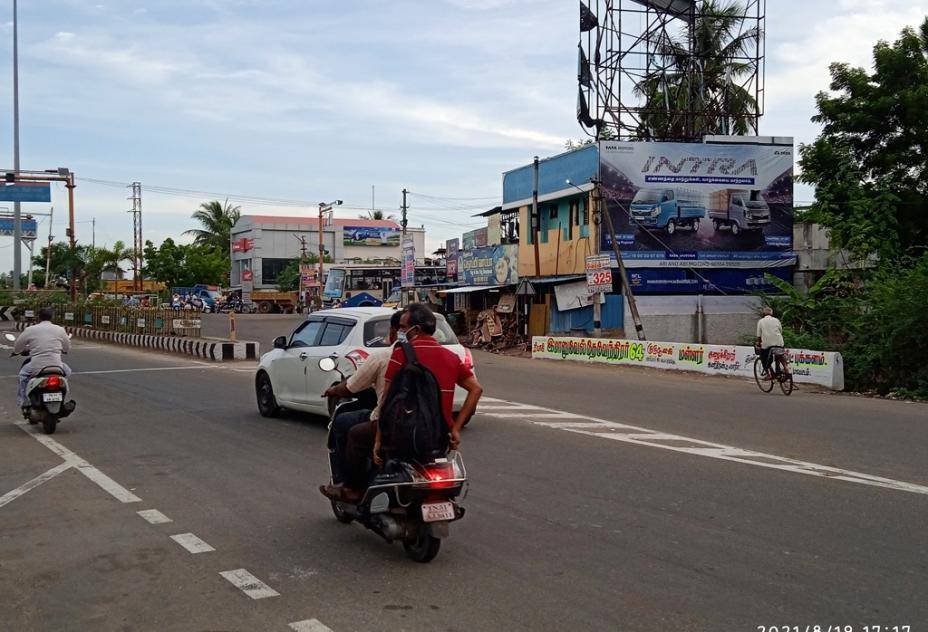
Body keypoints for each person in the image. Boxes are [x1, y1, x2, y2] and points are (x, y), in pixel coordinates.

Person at [362, 303, 482, 478]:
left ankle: (351, 489)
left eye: (403, 327)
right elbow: (476, 389)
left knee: (354, 435)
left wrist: (378, 440)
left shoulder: (400, 354)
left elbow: (386, 400)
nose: (400, 331)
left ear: (415, 329)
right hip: (440, 438)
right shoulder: (451, 357)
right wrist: (456, 428)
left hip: (403, 435)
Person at [319, 310, 402, 500]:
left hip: (394, 421)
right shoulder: (443, 355)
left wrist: (333, 390)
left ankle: (350, 485)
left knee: (346, 425)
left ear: (394, 331)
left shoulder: (386, 357)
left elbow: (351, 386)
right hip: (433, 426)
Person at [13, 307, 74, 416]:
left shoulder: (30, 330)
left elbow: (17, 347)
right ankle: (63, 397)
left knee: (23, 375)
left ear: (38, 317)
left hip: (36, 366)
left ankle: (23, 401)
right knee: (68, 371)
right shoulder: (59, 329)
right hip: (57, 366)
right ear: (52, 317)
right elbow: (67, 348)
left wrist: (18, 351)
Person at [756, 306, 785, 379]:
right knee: (779, 356)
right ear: (771, 313)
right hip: (779, 343)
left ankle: (769, 374)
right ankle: (782, 370)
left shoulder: (761, 321)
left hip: (767, 345)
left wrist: (758, 343)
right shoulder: (777, 320)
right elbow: (781, 331)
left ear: (763, 314)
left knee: (764, 358)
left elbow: (759, 336)